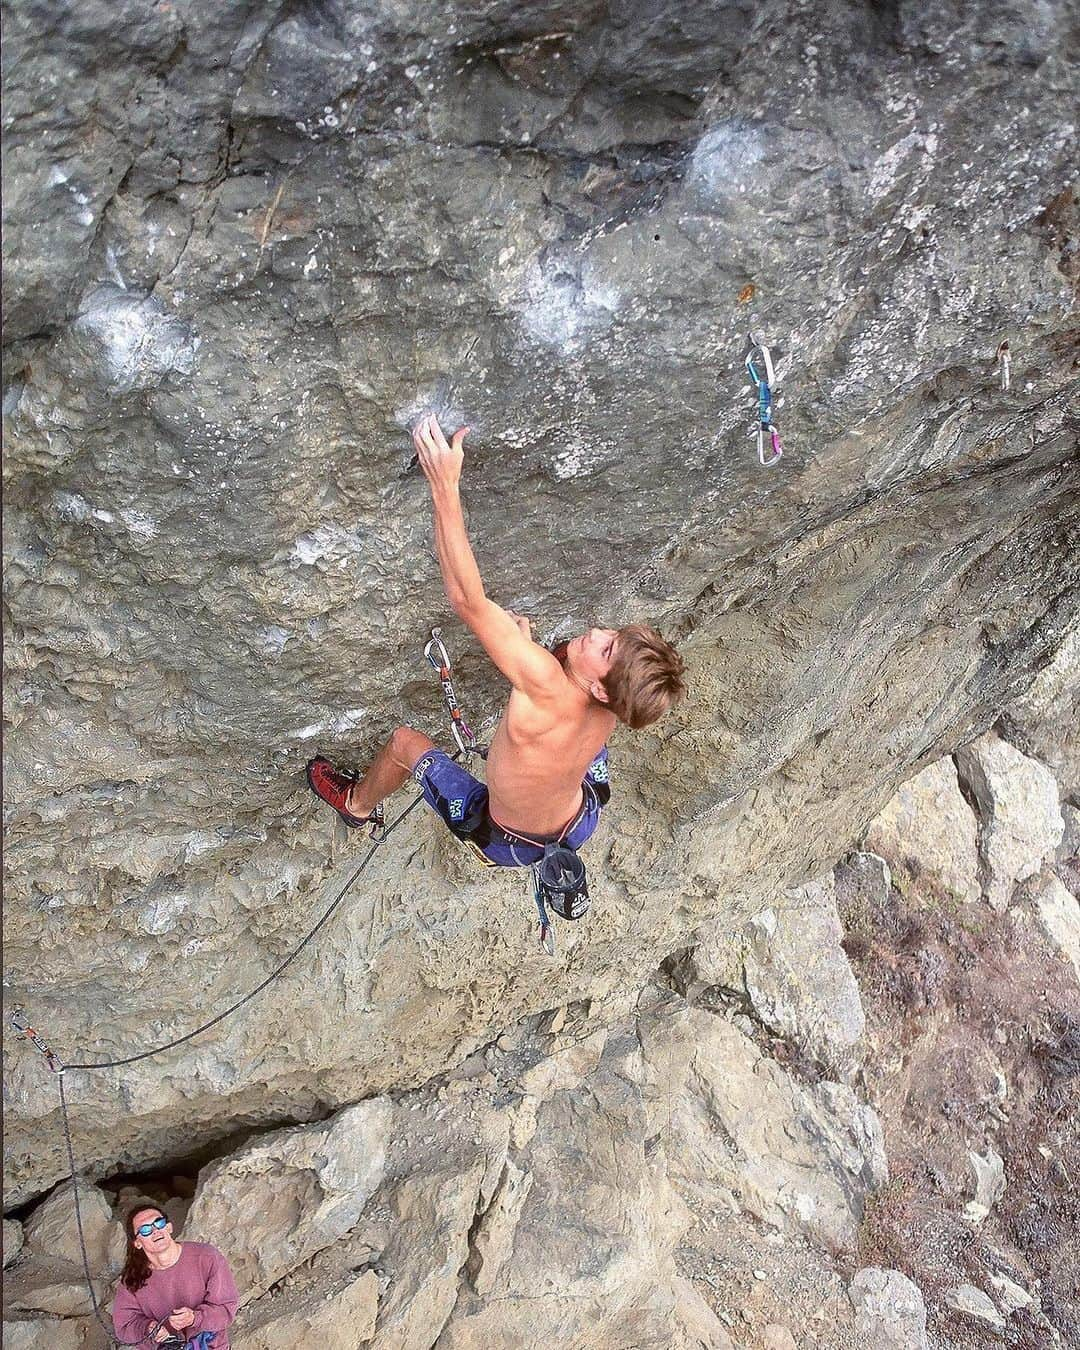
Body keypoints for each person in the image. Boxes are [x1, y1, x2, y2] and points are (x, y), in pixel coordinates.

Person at [307, 413, 686, 871]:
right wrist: (530, 660)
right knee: (575, 728)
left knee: (405, 743)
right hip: (577, 823)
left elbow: (467, 600)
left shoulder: (545, 679)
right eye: (615, 636)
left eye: (606, 649)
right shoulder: (619, 704)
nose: (599, 633)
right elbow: (563, 689)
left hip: (501, 835)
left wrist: (444, 485)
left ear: (603, 690)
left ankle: (356, 805)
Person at [112, 1205, 238, 1348]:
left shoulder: (207, 1257)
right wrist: (148, 1328)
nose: (155, 1231)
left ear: (169, 1227)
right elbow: (124, 1327)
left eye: (159, 1223)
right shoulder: (132, 1278)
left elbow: (226, 1309)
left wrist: (194, 1318)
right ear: (137, 1243)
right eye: (145, 1230)